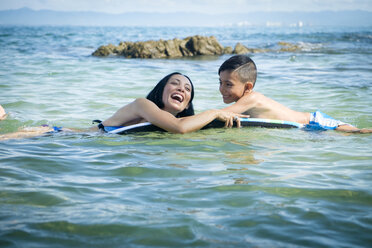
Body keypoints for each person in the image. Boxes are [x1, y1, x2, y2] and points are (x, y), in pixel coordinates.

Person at [0, 72, 246, 140]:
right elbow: (179, 128)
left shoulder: (173, 121)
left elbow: (181, 126)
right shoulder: (143, 104)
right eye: (175, 84)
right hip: (56, 135)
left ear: (186, 106)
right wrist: (215, 112)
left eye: (188, 89)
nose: (182, 89)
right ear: (161, 91)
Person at [218, 55, 372, 133]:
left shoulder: (251, 98)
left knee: (360, 133)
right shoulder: (247, 101)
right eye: (220, 82)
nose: (222, 89)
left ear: (248, 87)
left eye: (228, 84)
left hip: (315, 122)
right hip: (310, 128)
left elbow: (216, 114)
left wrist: (194, 119)